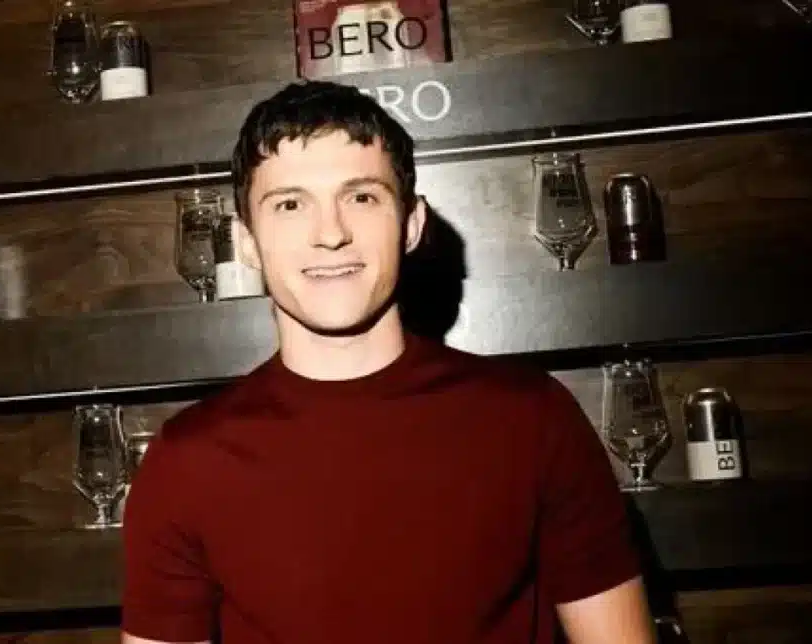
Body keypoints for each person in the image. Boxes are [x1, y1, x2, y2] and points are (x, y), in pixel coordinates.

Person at [121, 80, 656, 644]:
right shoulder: (186, 462)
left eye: (361, 197)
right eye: (290, 204)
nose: (331, 234)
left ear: (412, 224)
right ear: (247, 243)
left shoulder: (533, 418)